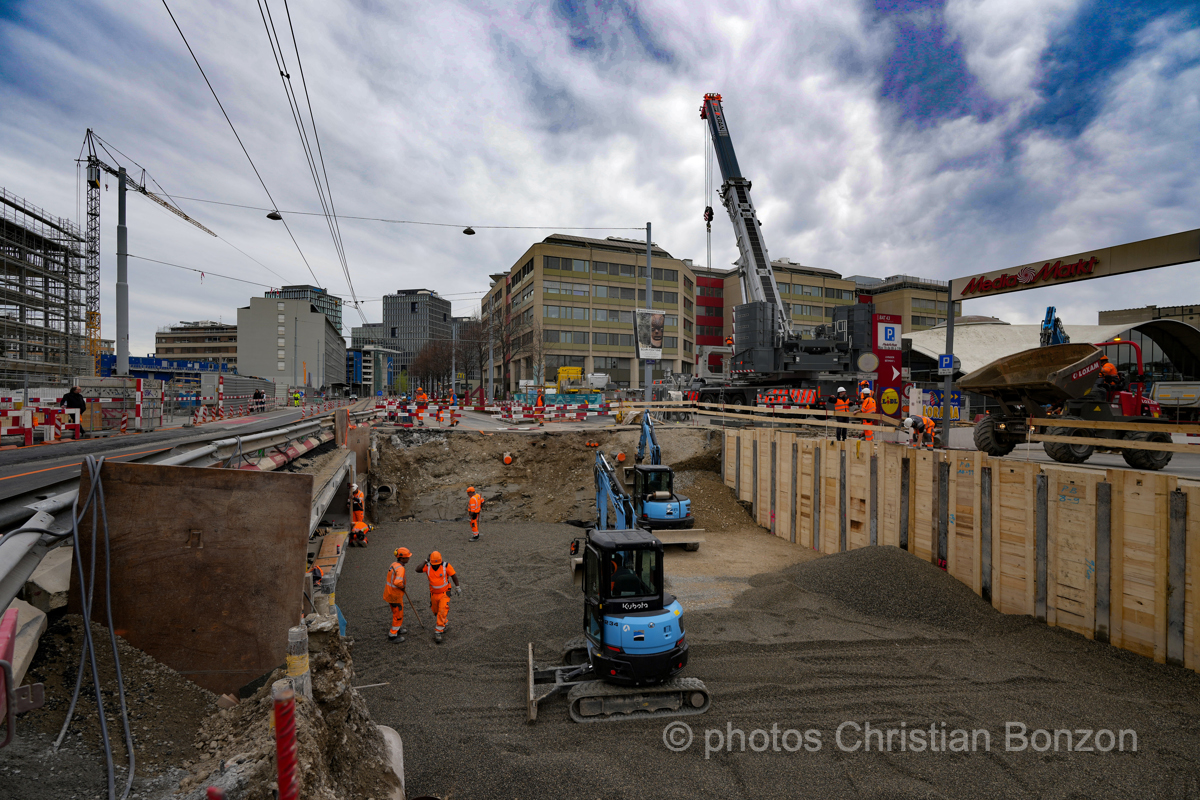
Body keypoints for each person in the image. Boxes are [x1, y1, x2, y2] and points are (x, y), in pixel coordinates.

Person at [418, 551, 461, 644]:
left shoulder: (446, 566)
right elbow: (417, 569)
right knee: (436, 611)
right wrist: (425, 561)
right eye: (434, 564)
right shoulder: (428, 566)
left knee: (442, 610)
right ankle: (444, 622)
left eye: (437, 564)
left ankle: (438, 631)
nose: (435, 566)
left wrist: (457, 587)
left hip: (445, 593)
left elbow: (454, 576)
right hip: (433, 594)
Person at [383, 547, 412, 642]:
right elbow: (397, 582)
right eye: (407, 557)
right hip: (395, 596)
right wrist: (403, 587)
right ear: (402, 558)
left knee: (396, 612)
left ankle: (398, 628)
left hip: (390, 593)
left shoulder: (394, 564)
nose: (409, 558)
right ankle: (392, 635)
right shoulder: (401, 569)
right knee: (398, 615)